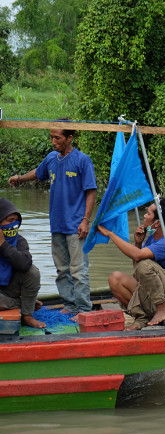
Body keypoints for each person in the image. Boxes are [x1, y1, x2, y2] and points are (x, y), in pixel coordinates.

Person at [8, 124, 97, 315]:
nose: (53, 142)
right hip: (57, 224)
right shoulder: (51, 158)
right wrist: (20, 179)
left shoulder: (82, 160)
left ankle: (83, 309)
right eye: (51, 137)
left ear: (70, 138)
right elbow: (38, 173)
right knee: (62, 269)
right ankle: (70, 305)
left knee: (78, 270)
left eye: (57, 138)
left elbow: (91, 191)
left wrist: (86, 220)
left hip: (76, 225)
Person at [97, 197, 165, 330]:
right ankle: (142, 318)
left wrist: (110, 234)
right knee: (115, 279)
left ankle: (162, 309)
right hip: (157, 292)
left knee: (143, 264)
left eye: (148, 214)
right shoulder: (152, 238)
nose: (144, 216)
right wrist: (138, 243)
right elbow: (138, 268)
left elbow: (139, 259)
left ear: (157, 223)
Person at [0, 198, 45, 329]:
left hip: (9, 290)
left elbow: (25, 265)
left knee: (33, 271)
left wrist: (3, 245)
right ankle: (23, 303)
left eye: (16, 221)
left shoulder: (20, 241)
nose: (13, 225)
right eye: (9, 221)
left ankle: (27, 315)